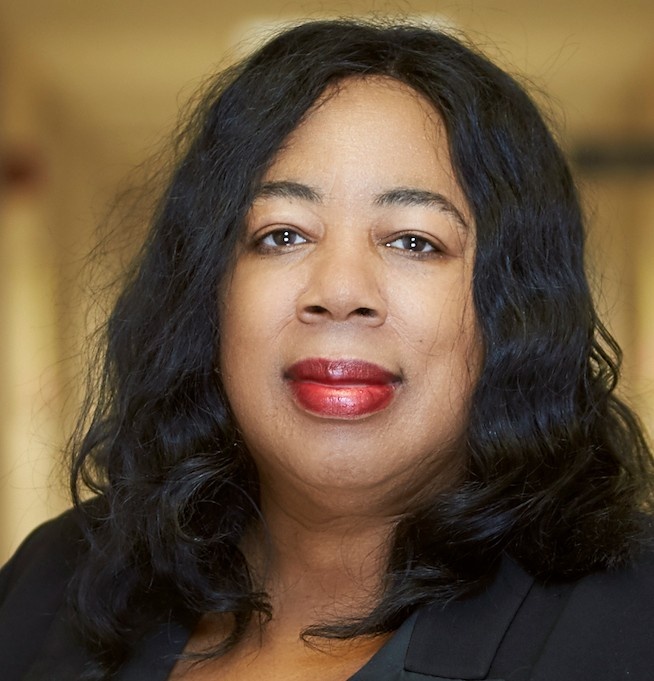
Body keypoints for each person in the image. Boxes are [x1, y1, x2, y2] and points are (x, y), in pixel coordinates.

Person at [1, 18, 653, 681]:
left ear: (513, 303)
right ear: (210, 293)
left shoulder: (630, 621)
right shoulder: (49, 585)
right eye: (283, 235)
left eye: (414, 240)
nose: (340, 291)